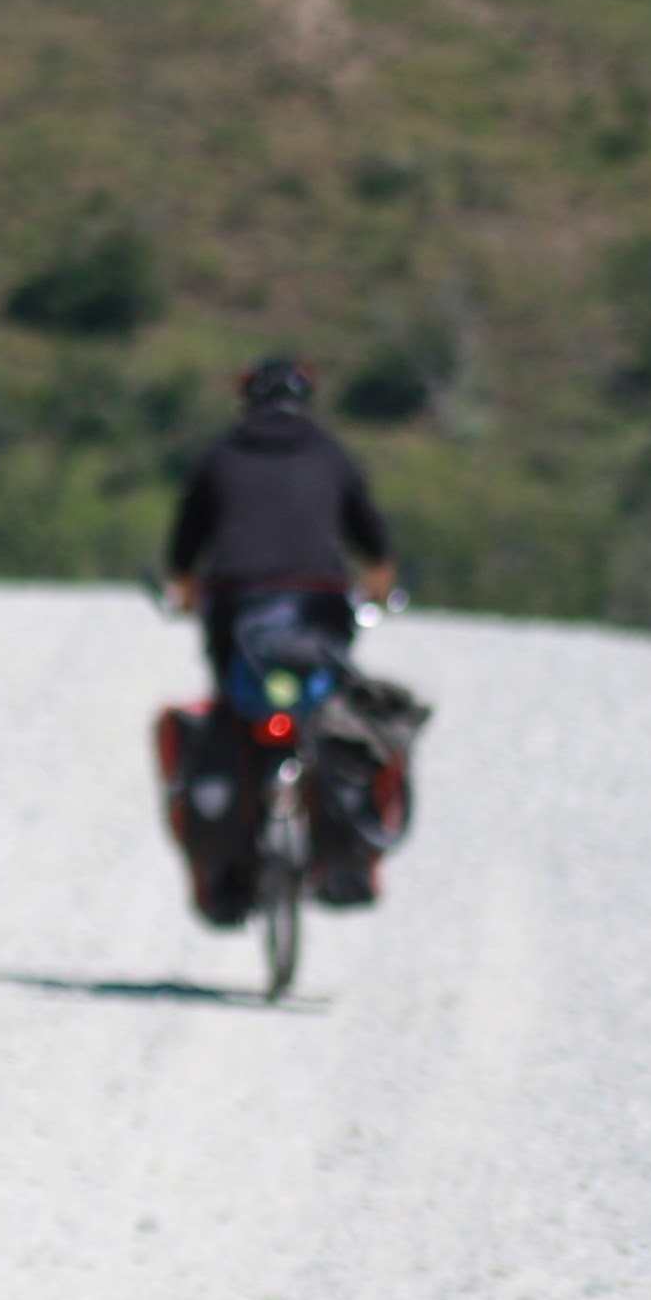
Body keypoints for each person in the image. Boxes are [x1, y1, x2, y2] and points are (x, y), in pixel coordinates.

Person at [159, 359, 411, 915]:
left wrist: (182, 589)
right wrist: (378, 583)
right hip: (320, 600)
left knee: (235, 707)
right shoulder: (331, 455)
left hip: (236, 600)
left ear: (245, 401)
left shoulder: (221, 456)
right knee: (328, 710)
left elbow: (185, 542)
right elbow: (373, 540)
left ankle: (225, 867)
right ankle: (347, 855)